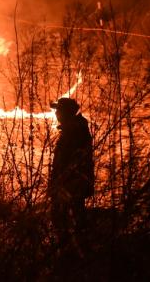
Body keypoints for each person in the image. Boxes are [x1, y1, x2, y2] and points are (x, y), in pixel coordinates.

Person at [49, 97, 94, 251]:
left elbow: (70, 162)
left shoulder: (74, 132)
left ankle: (72, 251)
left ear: (66, 112)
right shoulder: (74, 129)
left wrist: (60, 183)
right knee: (72, 216)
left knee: (65, 217)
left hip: (71, 184)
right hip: (71, 183)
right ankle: (74, 249)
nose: (56, 113)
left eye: (58, 110)